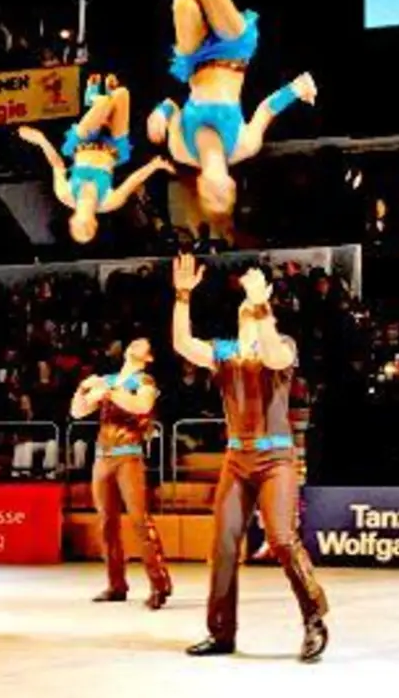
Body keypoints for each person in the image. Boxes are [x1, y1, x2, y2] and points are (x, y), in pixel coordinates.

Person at [170, 254, 329, 662]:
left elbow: (275, 356)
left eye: (255, 308)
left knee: (280, 538)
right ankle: (221, 633)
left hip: (276, 459)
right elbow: (182, 344)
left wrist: (262, 306)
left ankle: (314, 618)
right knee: (223, 545)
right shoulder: (225, 353)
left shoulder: (281, 347)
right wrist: (183, 297)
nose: (248, 309)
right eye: (245, 307)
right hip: (236, 461)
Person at [147, 0, 317, 219]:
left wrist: (159, 114)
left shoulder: (180, 150)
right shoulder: (245, 145)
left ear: (200, 186)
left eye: (209, 197)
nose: (216, 191)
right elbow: (266, 110)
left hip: (195, 59)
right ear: (232, 186)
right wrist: (296, 88)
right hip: (233, 52)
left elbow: (171, 106)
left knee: (181, 2)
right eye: (223, 197)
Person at [70, 337, 172, 609]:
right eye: (134, 342)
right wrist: (83, 388)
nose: (136, 343)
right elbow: (78, 411)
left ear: (148, 358)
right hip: (103, 458)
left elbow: (142, 407)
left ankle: (159, 584)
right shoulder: (109, 379)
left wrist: (108, 389)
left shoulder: (144, 382)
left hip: (129, 457)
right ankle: (116, 584)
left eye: (144, 344)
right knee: (106, 523)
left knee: (140, 521)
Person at [19, 74, 174, 243]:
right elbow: (133, 180)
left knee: (104, 103)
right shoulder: (109, 202)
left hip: (82, 144)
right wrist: (154, 166)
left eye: (80, 229)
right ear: (95, 224)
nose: (84, 227)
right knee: (122, 93)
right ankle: (106, 99)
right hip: (112, 149)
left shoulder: (65, 194)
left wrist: (41, 140)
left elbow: (57, 165)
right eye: (89, 231)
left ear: (72, 221)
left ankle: (93, 99)